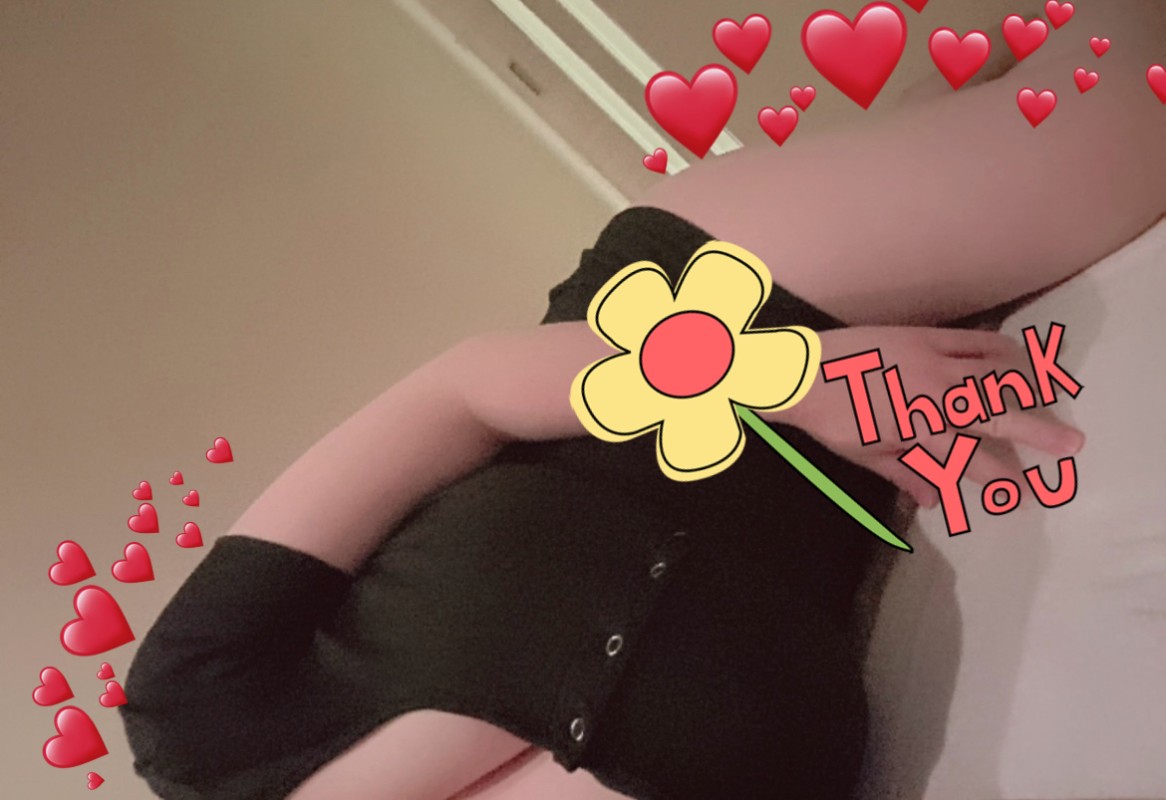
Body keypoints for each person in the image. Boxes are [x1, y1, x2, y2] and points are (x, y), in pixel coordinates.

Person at [119, 2, 1165, 798]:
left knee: (1137, 105)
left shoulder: (200, 710)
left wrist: (787, 376)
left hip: (729, 302)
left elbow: (462, 389)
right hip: (858, 486)